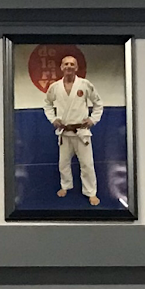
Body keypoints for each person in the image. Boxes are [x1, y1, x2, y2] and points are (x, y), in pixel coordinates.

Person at [43, 52, 102, 205]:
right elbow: (47, 104)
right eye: (66, 64)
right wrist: (53, 119)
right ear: (61, 67)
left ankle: (91, 192)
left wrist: (93, 119)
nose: (69, 66)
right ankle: (65, 186)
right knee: (63, 163)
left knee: (87, 164)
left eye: (72, 64)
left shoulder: (85, 84)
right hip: (64, 132)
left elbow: (98, 103)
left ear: (76, 68)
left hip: (81, 132)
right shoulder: (55, 87)